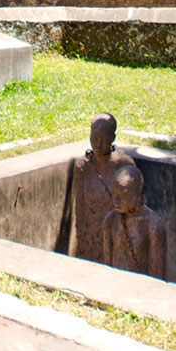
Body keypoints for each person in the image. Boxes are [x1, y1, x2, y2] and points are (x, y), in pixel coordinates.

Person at [71, 112, 136, 263]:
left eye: (103, 139)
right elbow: (79, 209)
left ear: (112, 138)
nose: (98, 144)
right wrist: (83, 236)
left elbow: (133, 208)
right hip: (90, 237)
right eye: (94, 138)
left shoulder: (124, 165)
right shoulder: (82, 166)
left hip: (117, 236)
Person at [101, 163, 167, 278]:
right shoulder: (110, 220)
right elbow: (107, 266)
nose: (116, 200)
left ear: (137, 191)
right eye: (114, 193)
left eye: (122, 193)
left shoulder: (153, 225)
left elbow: (157, 275)